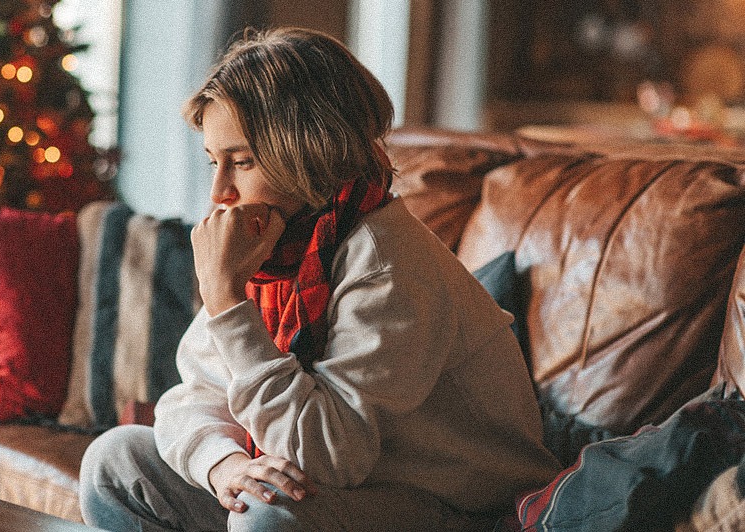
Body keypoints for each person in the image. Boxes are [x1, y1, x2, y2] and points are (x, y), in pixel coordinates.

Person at [79, 27, 561, 531]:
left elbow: (329, 456)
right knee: (114, 463)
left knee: (266, 515)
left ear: (307, 151)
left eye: (241, 162)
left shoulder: (384, 263)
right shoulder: (275, 247)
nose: (220, 190)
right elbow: (194, 397)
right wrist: (227, 466)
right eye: (213, 162)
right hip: (353, 488)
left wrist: (226, 303)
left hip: (460, 507)